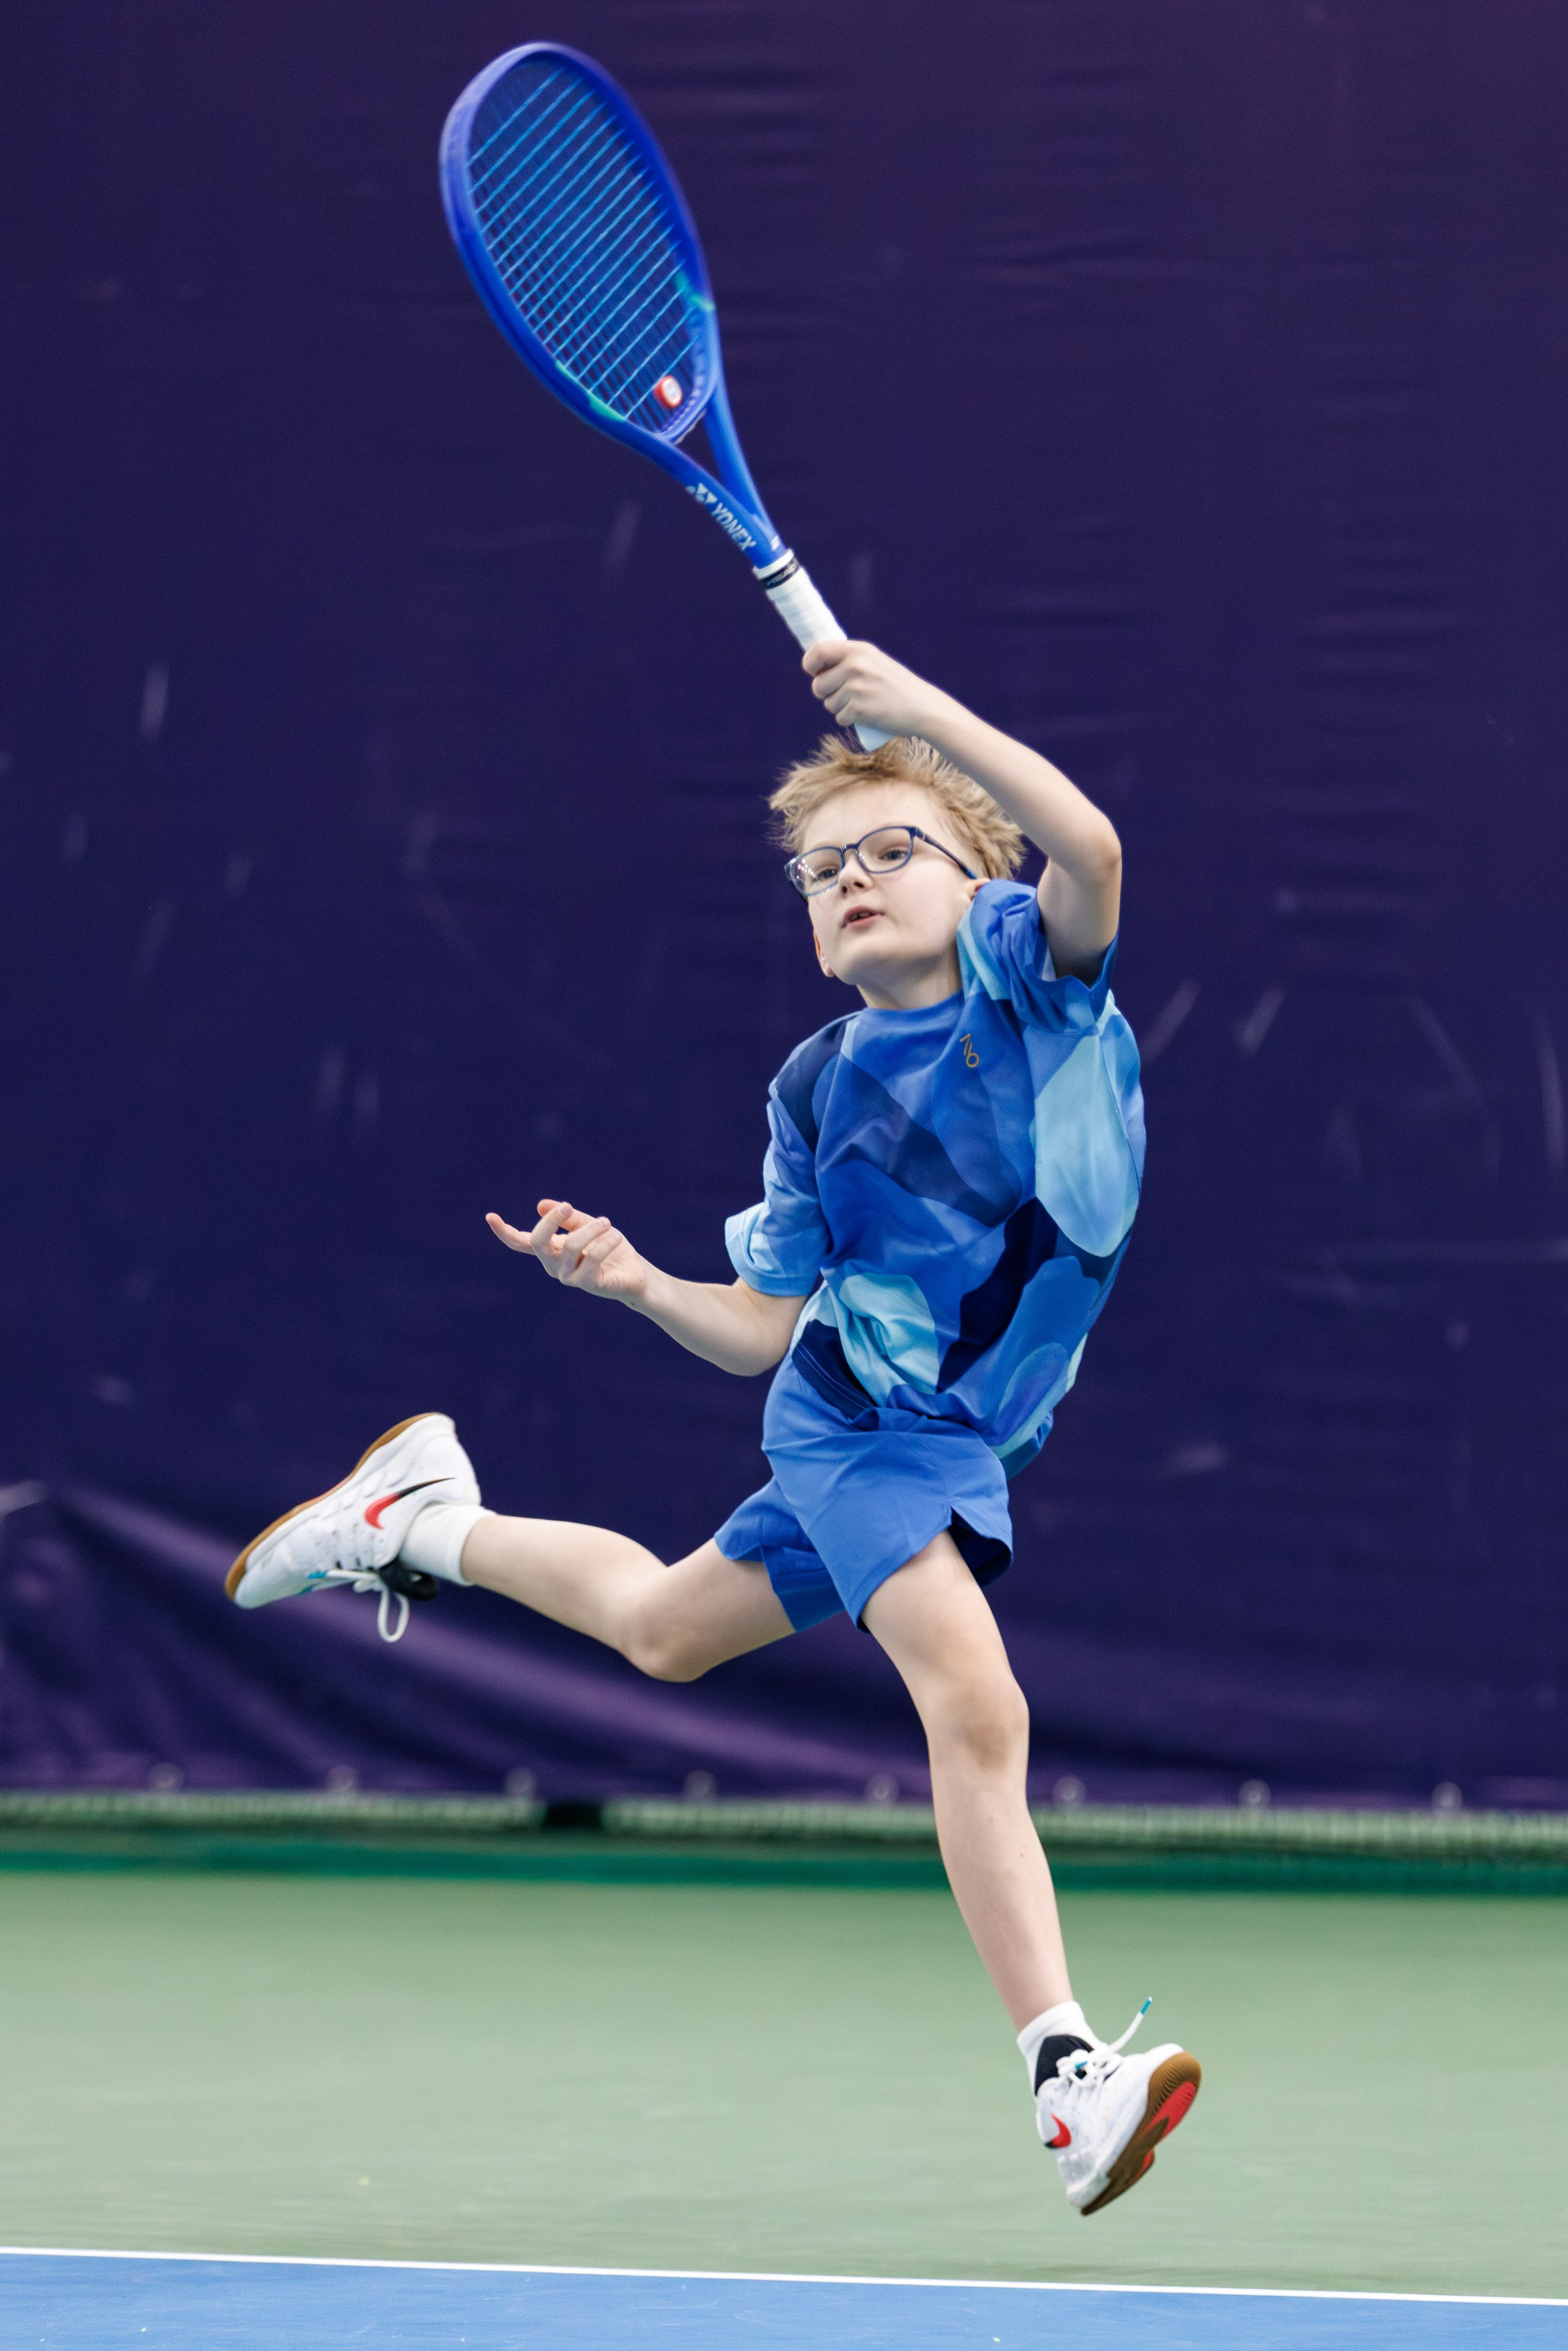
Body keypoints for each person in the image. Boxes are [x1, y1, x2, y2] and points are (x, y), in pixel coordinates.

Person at [226, 638, 1200, 2217]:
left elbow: (1089, 846)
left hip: (962, 1437)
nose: (852, 877)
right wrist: (634, 1283)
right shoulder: (814, 1092)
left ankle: (419, 1518)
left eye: (893, 847)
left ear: (979, 879)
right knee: (979, 1700)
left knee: (668, 1633)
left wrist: (921, 722)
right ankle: (1066, 2074)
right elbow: (763, 1330)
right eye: (822, 869)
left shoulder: (1037, 980)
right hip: (857, 1428)